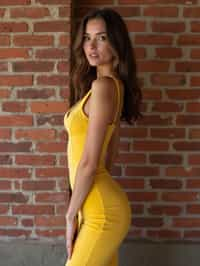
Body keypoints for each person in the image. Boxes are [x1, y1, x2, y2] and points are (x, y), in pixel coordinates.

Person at [63, 7, 142, 266]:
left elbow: (89, 162)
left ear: (116, 43)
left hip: (101, 210)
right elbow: (109, 157)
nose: (92, 45)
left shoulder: (103, 87)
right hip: (97, 205)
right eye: (87, 38)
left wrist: (71, 215)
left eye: (102, 38)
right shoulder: (111, 87)